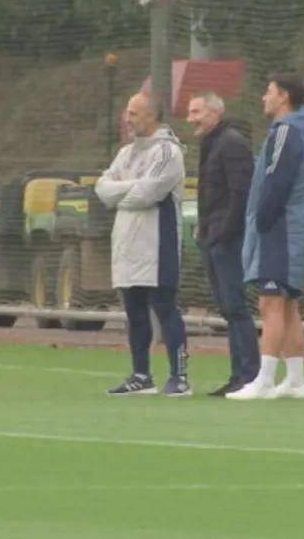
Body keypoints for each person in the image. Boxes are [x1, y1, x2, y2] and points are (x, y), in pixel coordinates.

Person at [228, 74, 304, 401]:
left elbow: (277, 181)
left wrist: (263, 222)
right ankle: (295, 381)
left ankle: (264, 380)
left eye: (268, 92)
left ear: (283, 97)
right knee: (288, 305)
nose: (263, 98)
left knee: (271, 302)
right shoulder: (295, 133)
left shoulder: (286, 132)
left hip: (280, 230)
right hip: (288, 230)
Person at [95, 92, 191, 397]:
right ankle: (141, 375)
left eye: (134, 113)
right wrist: (128, 190)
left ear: (152, 116)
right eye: (127, 112)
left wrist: (120, 194)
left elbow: (149, 193)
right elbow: (102, 189)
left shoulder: (168, 152)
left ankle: (180, 377)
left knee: (164, 307)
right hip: (127, 244)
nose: (127, 119)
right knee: (134, 311)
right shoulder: (126, 153)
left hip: (157, 245)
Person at [186, 91, 259, 396]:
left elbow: (240, 194)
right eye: (190, 112)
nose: (190, 119)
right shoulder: (212, 143)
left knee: (235, 306)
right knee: (228, 308)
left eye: (196, 112)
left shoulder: (231, 143)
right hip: (213, 237)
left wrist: (223, 234)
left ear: (215, 112)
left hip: (226, 240)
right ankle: (238, 375)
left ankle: (249, 375)